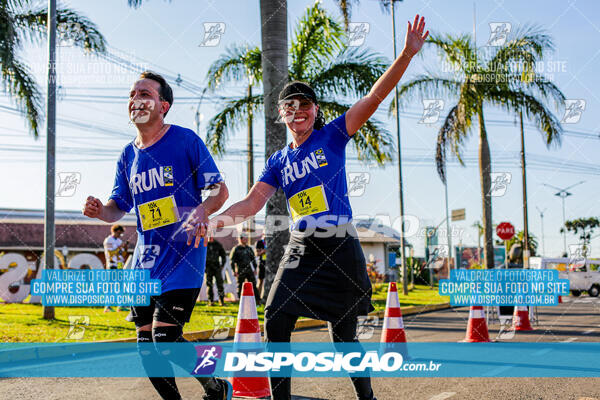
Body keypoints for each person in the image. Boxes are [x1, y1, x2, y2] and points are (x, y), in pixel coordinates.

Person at [193, 15, 428, 400]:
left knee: (344, 336)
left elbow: (374, 97)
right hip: (303, 245)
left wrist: (405, 54)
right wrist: (214, 219)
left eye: (305, 105)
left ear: (315, 111)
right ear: (281, 113)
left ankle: (366, 397)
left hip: (339, 243)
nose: (297, 110)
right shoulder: (278, 161)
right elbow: (253, 201)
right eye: (290, 106)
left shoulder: (334, 135)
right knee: (276, 314)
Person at [83, 71, 232, 400]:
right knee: (146, 347)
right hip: (144, 262)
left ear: (163, 105)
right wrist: (99, 211)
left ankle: (215, 386)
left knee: (165, 339)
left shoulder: (185, 140)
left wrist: (202, 211)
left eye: (145, 93)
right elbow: (117, 208)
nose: (136, 99)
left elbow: (219, 191)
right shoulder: (127, 155)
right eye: (132, 94)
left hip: (183, 256)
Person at [103, 224, 129, 312]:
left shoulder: (119, 240)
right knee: (111, 286)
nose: (120, 235)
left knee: (121, 285)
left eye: (121, 233)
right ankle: (107, 306)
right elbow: (111, 254)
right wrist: (120, 247)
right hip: (112, 264)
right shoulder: (108, 240)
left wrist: (125, 248)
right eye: (119, 233)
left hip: (120, 264)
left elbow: (123, 255)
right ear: (114, 231)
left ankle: (120, 305)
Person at [229, 232, 260, 303]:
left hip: (249, 270)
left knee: (253, 285)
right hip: (240, 270)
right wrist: (234, 271)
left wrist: (255, 269)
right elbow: (232, 261)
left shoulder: (249, 248)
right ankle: (241, 301)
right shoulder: (236, 249)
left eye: (246, 238)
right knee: (240, 286)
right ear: (240, 239)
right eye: (244, 238)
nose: (246, 239)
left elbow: (253, 260)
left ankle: (257, 301)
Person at [205, 236, 227, 306]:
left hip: (216, 267)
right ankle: (211, 301)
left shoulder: (218, 245)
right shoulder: (204, 244)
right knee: (209, 285)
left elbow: (223, 255)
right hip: (208, 268)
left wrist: (222, 265)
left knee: (220, 284)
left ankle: (221, 301)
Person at [255, 233, 266, 301]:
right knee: (260, 281)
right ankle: (258, 298)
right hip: (262, 264)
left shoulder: (271, 241)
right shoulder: (259, 242)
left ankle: (264, 298)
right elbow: (256, 254)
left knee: (268, 282)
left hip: (269, 264)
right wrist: (263, 251)